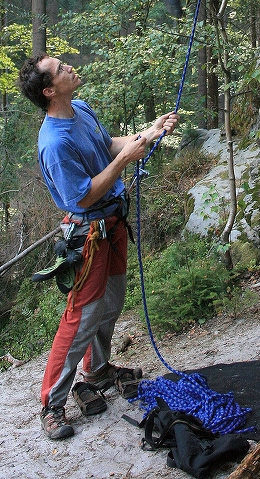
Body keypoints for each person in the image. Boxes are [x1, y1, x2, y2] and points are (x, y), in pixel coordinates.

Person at [18, 53, 178, 440]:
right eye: (61, 69)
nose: (70, 67)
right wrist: (126, 159)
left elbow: (107, 145)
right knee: (82, 316)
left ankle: (98, 370)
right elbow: (84, 197)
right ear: (49, 90)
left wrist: (147, 134)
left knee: (112, 301)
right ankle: (51, 404)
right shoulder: (55, 143)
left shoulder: (81, 109)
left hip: (113, 223)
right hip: (89, 232)